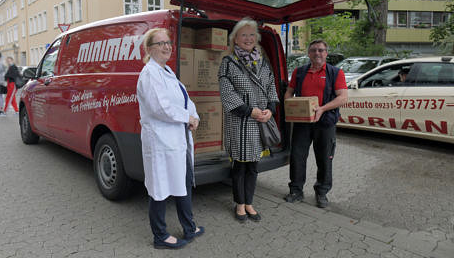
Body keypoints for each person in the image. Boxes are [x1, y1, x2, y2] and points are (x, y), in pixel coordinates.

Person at [137, 28, 204, 249]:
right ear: (149, 49)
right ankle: (160, 236)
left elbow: (183, 100)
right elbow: (160, 108)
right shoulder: (149, 73)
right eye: (160, 43)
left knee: (183, 183)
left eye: (168, 42)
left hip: (177, 139)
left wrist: (193, 116)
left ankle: (189, 227)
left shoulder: (166, 72)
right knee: (160, 188)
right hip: (161, 142)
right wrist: (187, 118)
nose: (167, 47)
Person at [218, 17, 279, 222]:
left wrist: (270, 109)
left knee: (253, 165)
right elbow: (227, 93)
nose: (248, 38)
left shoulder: (262, 61)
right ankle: (240, 204)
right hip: (241, 122)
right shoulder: (228, 63)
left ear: (257, 38)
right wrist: (249, 111)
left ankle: (250, 202)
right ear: (235, 39)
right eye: (243, 35)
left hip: (261, 121)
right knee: (240, 165)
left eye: (252, 35)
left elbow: (271, 86)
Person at [284, 40, 348, 208]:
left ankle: (322, 192)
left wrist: (322, 109)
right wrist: (291, 105)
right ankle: (296, 190)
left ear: (326, 53)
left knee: (325, 158)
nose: (317, 53)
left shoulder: (335, 73)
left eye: (321, 50)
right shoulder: (299, 72)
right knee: (297, 156)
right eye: (313, 50)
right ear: (309, 53)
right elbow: (289, 92)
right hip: (302, 123)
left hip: (325, 122)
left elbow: (342, 97)